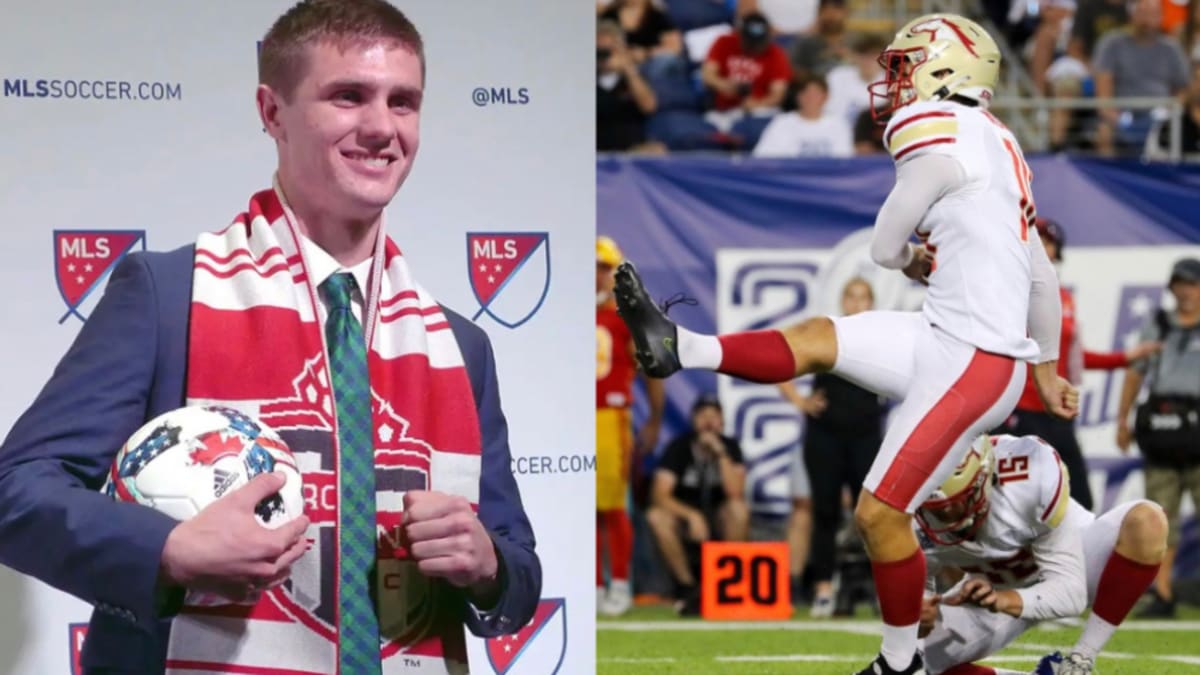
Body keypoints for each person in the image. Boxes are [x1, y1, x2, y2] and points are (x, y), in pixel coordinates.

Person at [0, 2, 540, 673]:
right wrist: (167, 551)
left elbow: (516, 573)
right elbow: (17, 491)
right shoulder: (168, 296)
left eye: (404, 102)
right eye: (348, 96)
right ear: (272, 112)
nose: (380, 126)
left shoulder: (459, 345)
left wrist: (487, 564)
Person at [612, 14, 1079, 675]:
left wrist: (911, 257)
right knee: (819, 338)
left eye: (904, 66)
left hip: (972, 357)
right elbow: (1042, 274)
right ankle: (679, 346)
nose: (891, 83)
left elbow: (885, 246)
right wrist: (1050, 367)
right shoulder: (1003, 147)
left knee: (879, 512)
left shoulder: (939, 129)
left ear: (945, 69)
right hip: (952, 339)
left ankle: (897, 666)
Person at [914, 434, 1167, 675]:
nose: (951, 518)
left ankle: (1080, 660)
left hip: (1072, 561)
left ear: (984, 477)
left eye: (959, 501)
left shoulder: (1028, 475)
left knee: (1147, 521)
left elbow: (1071, 593)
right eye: (938, 511)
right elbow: (919, 596)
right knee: (909, 665)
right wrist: (921, 611)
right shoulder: (908, 520)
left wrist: (1003, 599)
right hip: (988, 590)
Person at [993, 217, 1161, 513]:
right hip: (1016, 410)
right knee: (1012, 502)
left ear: (1057, 252)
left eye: (1048, 242)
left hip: (1055, 411)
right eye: (1037, 241)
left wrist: (1124, 357)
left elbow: (1068, 356)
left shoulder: (1063, 298)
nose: (1042, 248)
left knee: (1079, 501)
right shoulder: (1003, 291)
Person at [778, 277, 888, 617]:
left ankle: (882, 590)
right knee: (824, 512)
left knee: (872, 517)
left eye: (863, 297)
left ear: (872, 302)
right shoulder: (828, 335)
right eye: (851, 297)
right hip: (825, 436)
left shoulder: (881, 339)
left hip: (866, 435)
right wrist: (799, 400)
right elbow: (782, 355)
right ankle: (823, 588)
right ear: (843, 301)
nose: (857, 303)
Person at [1115, 257, 1200, 618]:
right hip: (1164, 430)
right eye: (1179, 284)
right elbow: (1136, 373)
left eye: (1192, 283)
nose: (1185, 291)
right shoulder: (1160, 324)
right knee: (1160, 518)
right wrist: (1123, 419)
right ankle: (1162, 594)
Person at [596, 235, 664, 616]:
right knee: (584, 506)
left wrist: (654, 418)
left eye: (603, 270)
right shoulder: (570, 311)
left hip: (610, 416)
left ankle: (619, 582)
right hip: (574, 415)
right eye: (591, 269)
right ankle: (592, 584)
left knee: (611, 505)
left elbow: (654, 366)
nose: (595, 278)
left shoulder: (627, 314)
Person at [646, 393, 750, 616]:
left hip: (720, 517)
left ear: (722, 421)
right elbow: (659, 494)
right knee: (657, 516)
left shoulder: (730, 447)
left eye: (714, 416)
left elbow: (735, 492)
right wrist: (692, 515)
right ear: (693, 419)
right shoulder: (680, 447)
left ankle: (728, 584)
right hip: (687, 520)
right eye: (703, 415)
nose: (708, 421)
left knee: (738, 510)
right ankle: (687, 587)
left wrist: (720, 454)